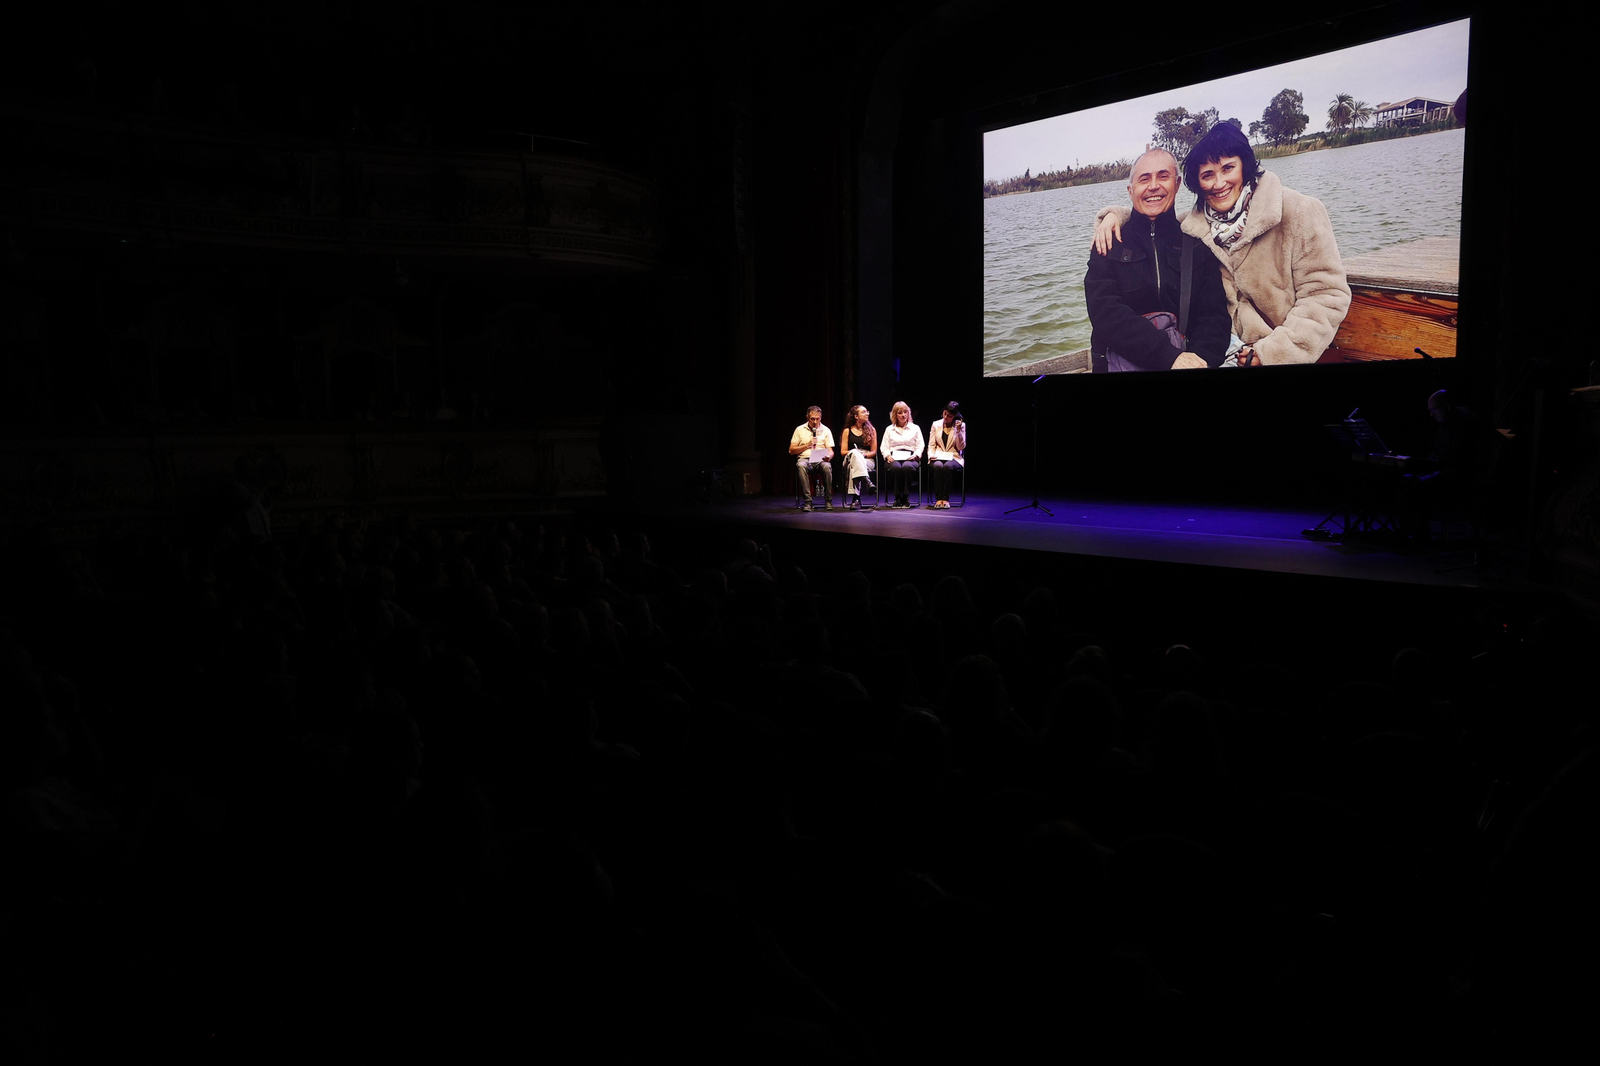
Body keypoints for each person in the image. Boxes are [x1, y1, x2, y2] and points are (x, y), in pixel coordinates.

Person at [1094, 123, 1350, 366]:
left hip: (1279, 353)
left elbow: (1326, 295)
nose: (1218, 183)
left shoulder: (1297, 211)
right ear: (1197, 183)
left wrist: (1273, 352)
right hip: (1223, 353)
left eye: (1228, 168)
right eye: (1207, 175)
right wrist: (1114, 216)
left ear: (1244, 166)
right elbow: (1151, 217)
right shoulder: (1194, 227)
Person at [1086, 149, 1231, 372]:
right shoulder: (1108, 241)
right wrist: (1167, 357)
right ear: (1130, 190)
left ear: (1177, 183)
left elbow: (1214, 316)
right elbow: (1104, 312)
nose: (1153, 186)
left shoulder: (1196, 244)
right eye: (1144, 179)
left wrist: (1200, 360)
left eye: (1163, 176)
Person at [789, 405, 835, 512]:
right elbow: (791, 450)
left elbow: (830, 450)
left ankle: (828, 501)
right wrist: (807, 445)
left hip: (820, 459)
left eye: (817, 419)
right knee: (800, 465)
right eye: (812, 419)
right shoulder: (799, 429)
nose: (815, 421)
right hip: (805, 459)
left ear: (821, 418)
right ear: (807, 418)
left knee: (827, 467)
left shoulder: (826, 430)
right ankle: (808, 502)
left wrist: (829, 456)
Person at [880, 401, 925, 509]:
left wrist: (916, 455)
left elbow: (920, 445)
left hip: (910, 457)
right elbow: (884, 446)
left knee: (906, 467)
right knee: (896, 468)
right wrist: (887, 456)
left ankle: (905, 496)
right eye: (900, 413)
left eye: (905, 412)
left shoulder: (915, 428)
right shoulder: (889, 429)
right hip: (894, 456)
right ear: (895, 414)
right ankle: (897, 497)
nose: (903, 415)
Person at [838, 404, 879, 510]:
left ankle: (855, 499)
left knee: (855, 467)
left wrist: (863, 455)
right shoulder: (847, 431)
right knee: (854, 454)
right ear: (856, 416)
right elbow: (843, 452)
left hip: (867, 459)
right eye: (864, 412)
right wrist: (856, 454)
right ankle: (867, 481)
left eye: (867, 411)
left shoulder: (872, 430)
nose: (867, 413)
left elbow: (874, 451)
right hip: (849, 458)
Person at [927, 402, 966, 509]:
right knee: (938, 466)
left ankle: (946, 498)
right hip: (938, 456)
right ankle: (939, 498)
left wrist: (958, 432)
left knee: (948, 466)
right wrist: (931, 455)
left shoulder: (961, 425)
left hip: (954, 457)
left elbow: (961, 447)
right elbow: (931, 444)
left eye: (949, 416)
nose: (946, 417)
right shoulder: (936, 424)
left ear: (955, 416)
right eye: (944, 414)